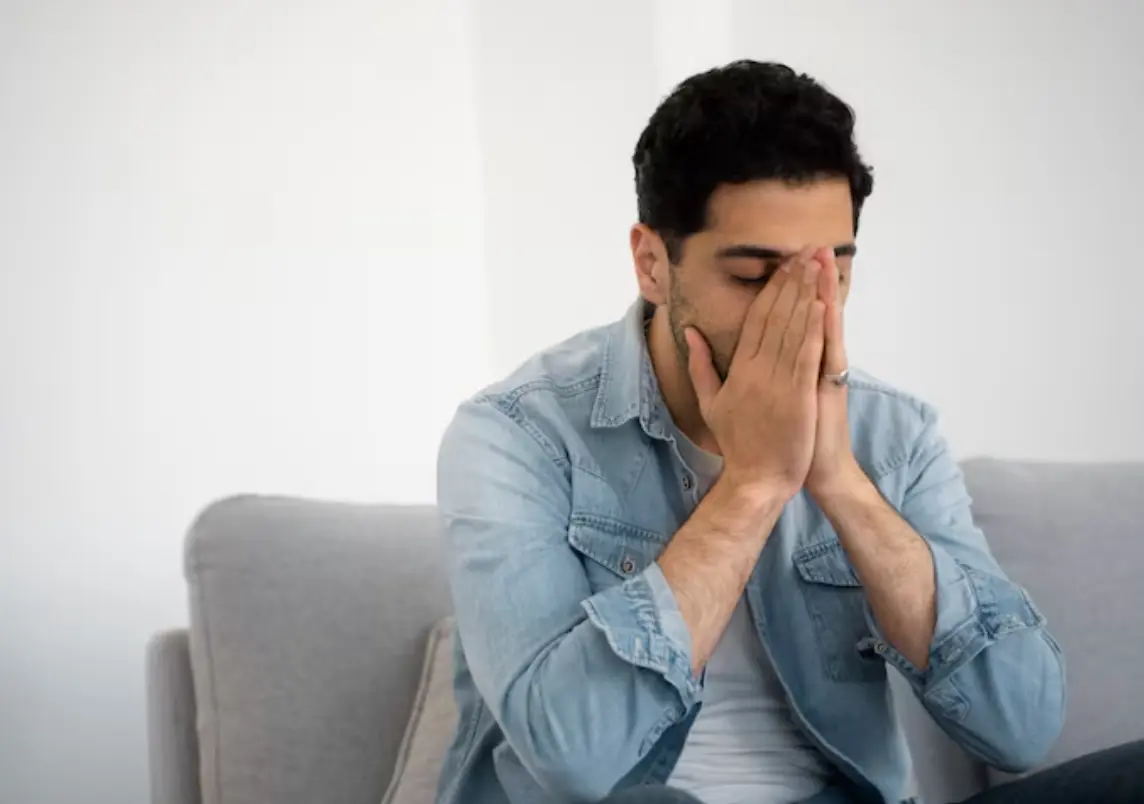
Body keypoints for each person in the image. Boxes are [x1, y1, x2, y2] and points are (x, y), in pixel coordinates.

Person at [434, 60, 1142, 804]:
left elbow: (1022, 727)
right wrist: (754, 487)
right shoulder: (515, 437)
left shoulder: (893, 433)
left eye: (831, 271)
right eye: (752, 276)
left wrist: (838, 480)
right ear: (652, 264)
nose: (803, 311)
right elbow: (577, 758)